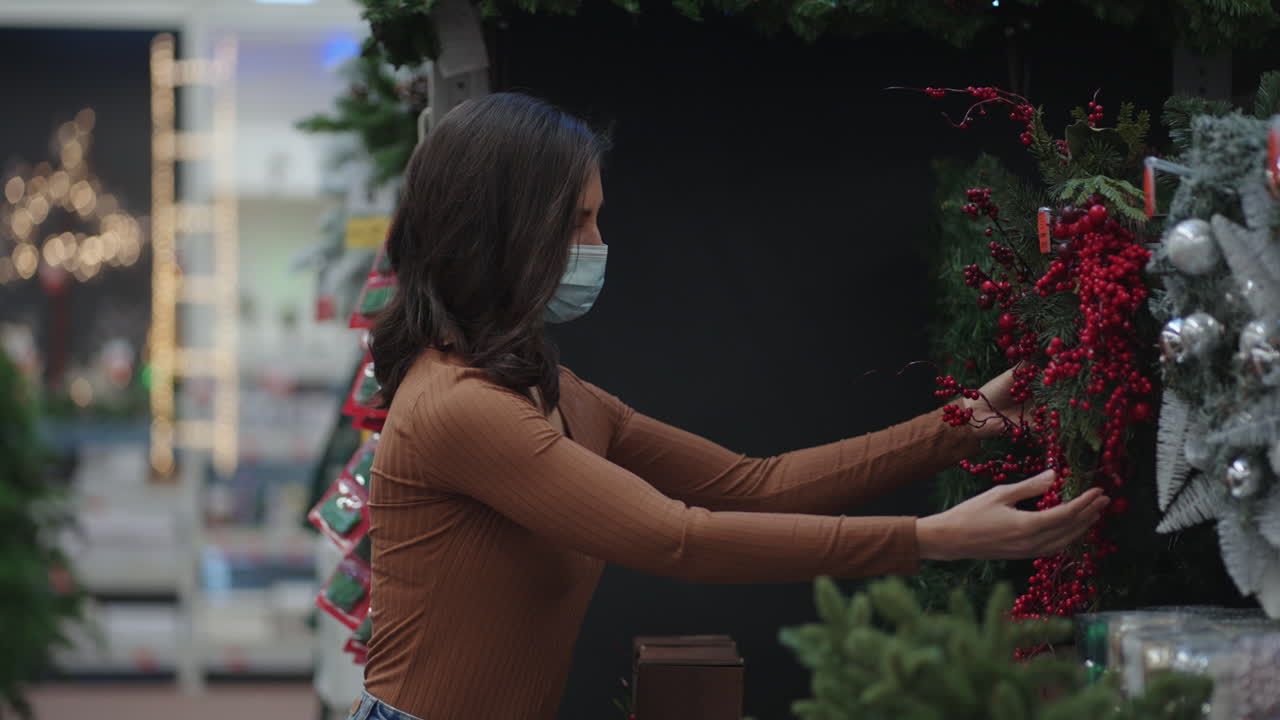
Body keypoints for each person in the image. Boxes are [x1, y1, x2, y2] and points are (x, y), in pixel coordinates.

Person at [354, 92, 1108, 720]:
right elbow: (680, 540)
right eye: (577, 223)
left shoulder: (549, 390)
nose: (596, 244)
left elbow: (752, 484)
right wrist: (932, 538)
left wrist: (959, 426)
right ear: (502, 233)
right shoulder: (459, 407)